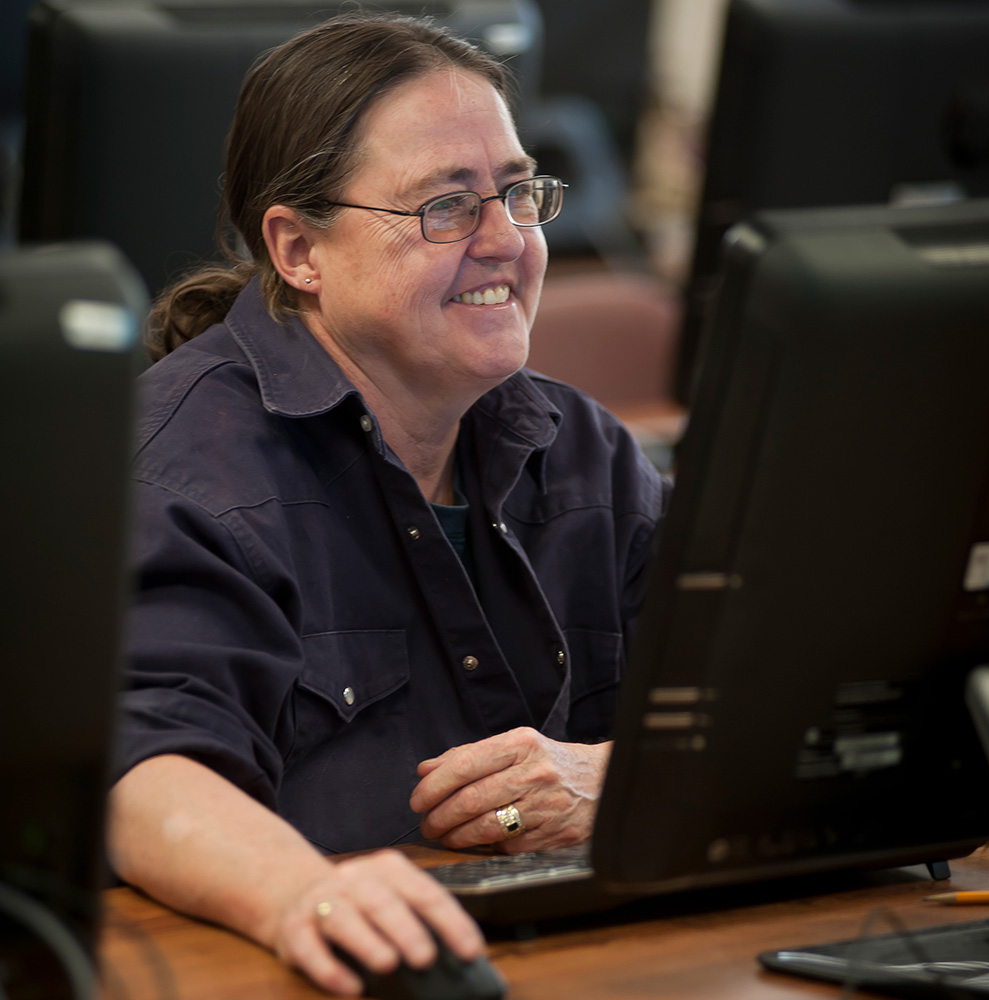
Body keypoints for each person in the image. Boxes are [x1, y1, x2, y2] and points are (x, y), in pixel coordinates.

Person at [107, 11, 667, 996]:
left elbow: (745, 714)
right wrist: (297, 894)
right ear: (298, 250)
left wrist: (614, 777)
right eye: (447, 207)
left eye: (517, 192)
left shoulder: (586, 452)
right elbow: (141, 769)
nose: (507, 241)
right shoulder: (176, 471)